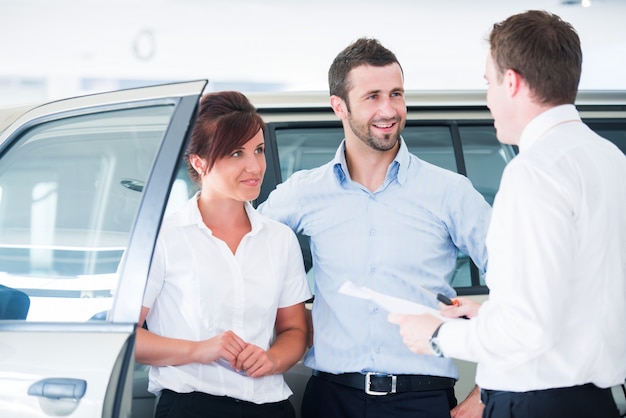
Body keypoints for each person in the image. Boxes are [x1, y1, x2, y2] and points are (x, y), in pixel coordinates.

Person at [388, 10, 626, 418]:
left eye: (489, 83)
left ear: (511, 82)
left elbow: (528, 328)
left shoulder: (534, 172)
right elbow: (584, 295)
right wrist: (491, 313)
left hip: (538, 403)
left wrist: (438, 336)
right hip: (594, 401)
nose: (487, 98)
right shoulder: (610, 160)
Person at [257, 38, 491, 418]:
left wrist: (483, 396)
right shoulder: (304, 193)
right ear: (339, 106)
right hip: (331, 400)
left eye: (396, 94)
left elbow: (522, 287)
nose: (389, 109)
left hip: (422, 402)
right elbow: (242, 255)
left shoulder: (450, 193)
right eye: (373, 96)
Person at [135, 91, 312, 418]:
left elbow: (295, 331)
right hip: (191, 407)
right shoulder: (163, 238)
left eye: (258, 150)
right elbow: (126, 337)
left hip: (270, 407)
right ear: (198, 162)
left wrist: (273, 359)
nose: (254, 165)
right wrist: (199, 350)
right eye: (236, 153)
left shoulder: (280, 239)